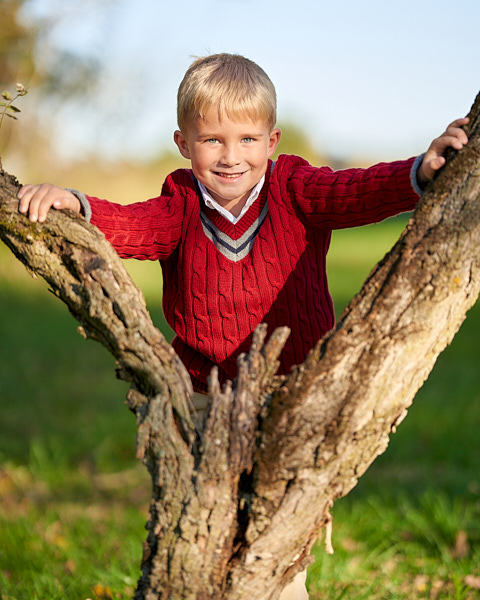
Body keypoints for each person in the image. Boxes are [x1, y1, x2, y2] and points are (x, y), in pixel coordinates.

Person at [17, 53, 469, 599]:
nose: (232, 157)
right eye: (213, 140)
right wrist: (77, 204)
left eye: (248, 140)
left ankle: (284, 588)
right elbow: (133, 225)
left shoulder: (295, 189)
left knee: (277, 524)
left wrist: (419, 170)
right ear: (184, 143)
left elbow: (355, 190)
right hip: (204, 394)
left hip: (291, 392)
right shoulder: (180, 203)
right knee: (204, 520)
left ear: (272, 140)